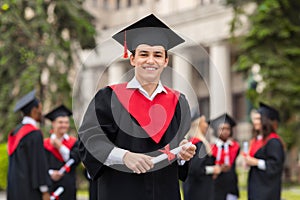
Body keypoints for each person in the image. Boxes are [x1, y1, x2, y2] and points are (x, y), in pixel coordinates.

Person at [78, 14, 196, 200]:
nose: (151, 60)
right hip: (120, 192)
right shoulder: (109, 98)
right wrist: (124, 156)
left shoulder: (179, 102)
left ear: (165, 61)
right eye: (143, 54)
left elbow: (178, 149)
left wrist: (182, 154)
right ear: (132, 59)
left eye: (157, 55)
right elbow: (89, 142)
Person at [7, 90, 51, 200]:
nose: (42, 113)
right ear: (34, 110)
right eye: (41, 109)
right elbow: (38, 164)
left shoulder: (16, 131)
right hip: (29, 190)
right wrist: (44, 190)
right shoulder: (34, 134)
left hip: (15, 188)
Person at [245, 102, 285, 200]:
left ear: (266, 121)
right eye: (254, 119)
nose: (255, 122)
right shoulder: (258, 140)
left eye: (258, 119)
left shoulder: (273, 141)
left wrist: (256, 162)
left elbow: (275, 166)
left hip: (267, 191)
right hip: (256, 188)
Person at [43, 105, 81, 200]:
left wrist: (59, 146)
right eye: (60, 122)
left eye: (66, 122)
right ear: (53, 124)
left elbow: (75, 160)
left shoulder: (74, 143)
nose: (64, 125)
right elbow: (39, 165)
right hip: (50, 185)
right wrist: (50, 173)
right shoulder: (44, 144)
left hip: (68, 188)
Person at [183, 114, 219, 200]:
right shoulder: (198, 145)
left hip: (192, 187)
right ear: (198, 125)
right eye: (204, 122)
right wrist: (213, 170)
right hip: (199, 190)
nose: (207, 125)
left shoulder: (190, 143)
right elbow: (195, 169)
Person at [210, 113, 240, 200]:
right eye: (222, 129)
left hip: (231, 185)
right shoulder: (211, 148)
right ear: (216, 130)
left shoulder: (235, 146)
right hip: (216, 185)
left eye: (228, 129)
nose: (225, 131)